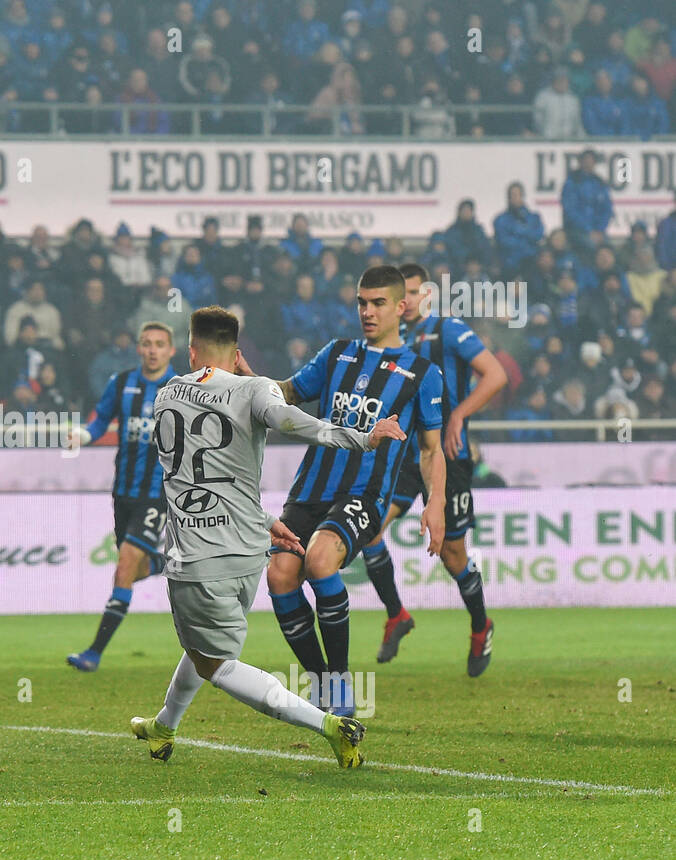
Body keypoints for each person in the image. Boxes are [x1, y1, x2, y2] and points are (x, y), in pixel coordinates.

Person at [128, 306, 407, 768]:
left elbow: (197, 477)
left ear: (190, 351)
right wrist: (361, 436)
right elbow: (290, 421)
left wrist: (362, 438)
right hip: (248, 552)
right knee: (202, 649)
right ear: (237, 355)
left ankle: (328, 725)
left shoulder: (165, 396)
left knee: (216, 664)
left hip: (197, 556)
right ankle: (163, 726)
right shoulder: (254, 388)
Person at [267, 266, 446, 716]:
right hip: (310, 489)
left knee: (321, 559)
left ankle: (342, 680)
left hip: (363, 495)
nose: (367, 311)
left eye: (378, 303)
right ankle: (322, 681)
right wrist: (251, 384)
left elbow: (431, 450)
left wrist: (436, 503)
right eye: (361, 303)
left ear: (401, 307)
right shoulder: (337, 354)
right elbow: (289, 392)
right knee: (279, 577)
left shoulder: (423, 373)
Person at [360, 264, 506, 675]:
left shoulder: (450, 330)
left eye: (409, 293)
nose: (403, 302)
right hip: (400, 456)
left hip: (446, 454)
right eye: (397, 295)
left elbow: (495, 376)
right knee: (368, 529)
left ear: (425, 293)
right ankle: (396, 615)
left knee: (451, 551)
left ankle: (481, 625)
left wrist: (458, 415)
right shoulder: (389, 339)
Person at [64, 322, 176, 672]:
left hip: (157, 494)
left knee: (125, 566)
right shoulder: (123, 382)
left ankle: (94, 653)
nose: (153, 350)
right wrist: (83, 434)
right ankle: (167, 563)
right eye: (146, 344)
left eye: (159, 344)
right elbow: (100, 421)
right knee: (133, 569)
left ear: (171, 350)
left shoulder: (180, 389)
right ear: (139, 349)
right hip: (123, 492)